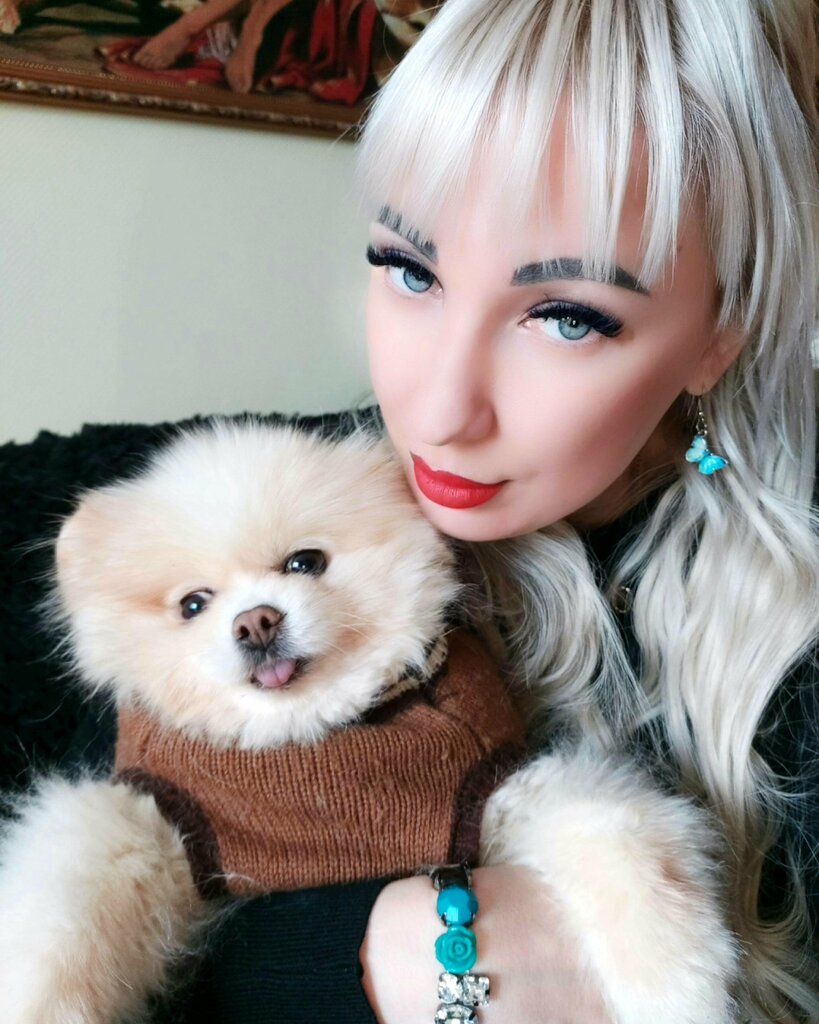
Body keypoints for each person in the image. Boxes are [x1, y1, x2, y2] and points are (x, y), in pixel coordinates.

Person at [168, 0, 819, 1020]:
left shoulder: (794, 636)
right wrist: (388, 953)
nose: (436, 413)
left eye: (566, 317)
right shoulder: (270, 514)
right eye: (409, 270)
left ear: (720, 332)